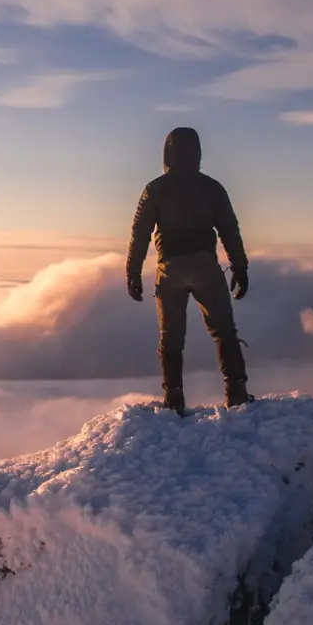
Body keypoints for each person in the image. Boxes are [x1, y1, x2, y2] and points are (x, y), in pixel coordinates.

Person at [125, 126, 251, 413]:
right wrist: (239, 267)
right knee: (223, 331)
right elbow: (229, 229)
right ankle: (237, 391)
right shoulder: (212, 187)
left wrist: (132, 272)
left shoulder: (155, 189)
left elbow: (140, 233)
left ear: (167, 152)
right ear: (197, 152)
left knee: (170, 337)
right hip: (205, 265)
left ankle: (174, 397)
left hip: (169, 268)